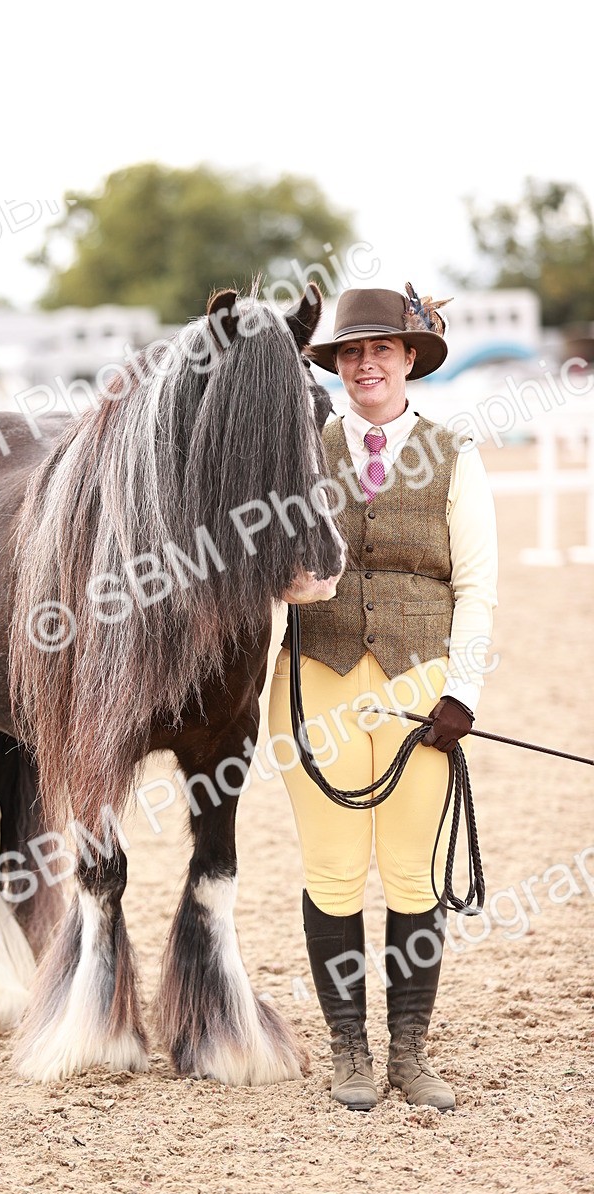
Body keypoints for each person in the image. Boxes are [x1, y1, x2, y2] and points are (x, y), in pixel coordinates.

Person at [268, 284, 498, 1112]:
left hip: (418, 692)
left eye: (382, 350)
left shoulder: (455, 454)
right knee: (332, 871)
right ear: (336, 365)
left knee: (412, 873)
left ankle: (408, 1051)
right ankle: (349, 1050)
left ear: (408, 359)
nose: (367, 364)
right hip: (316, 682)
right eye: (352, 352)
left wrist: (462, 692)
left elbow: (477, 587)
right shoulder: (299, 456)